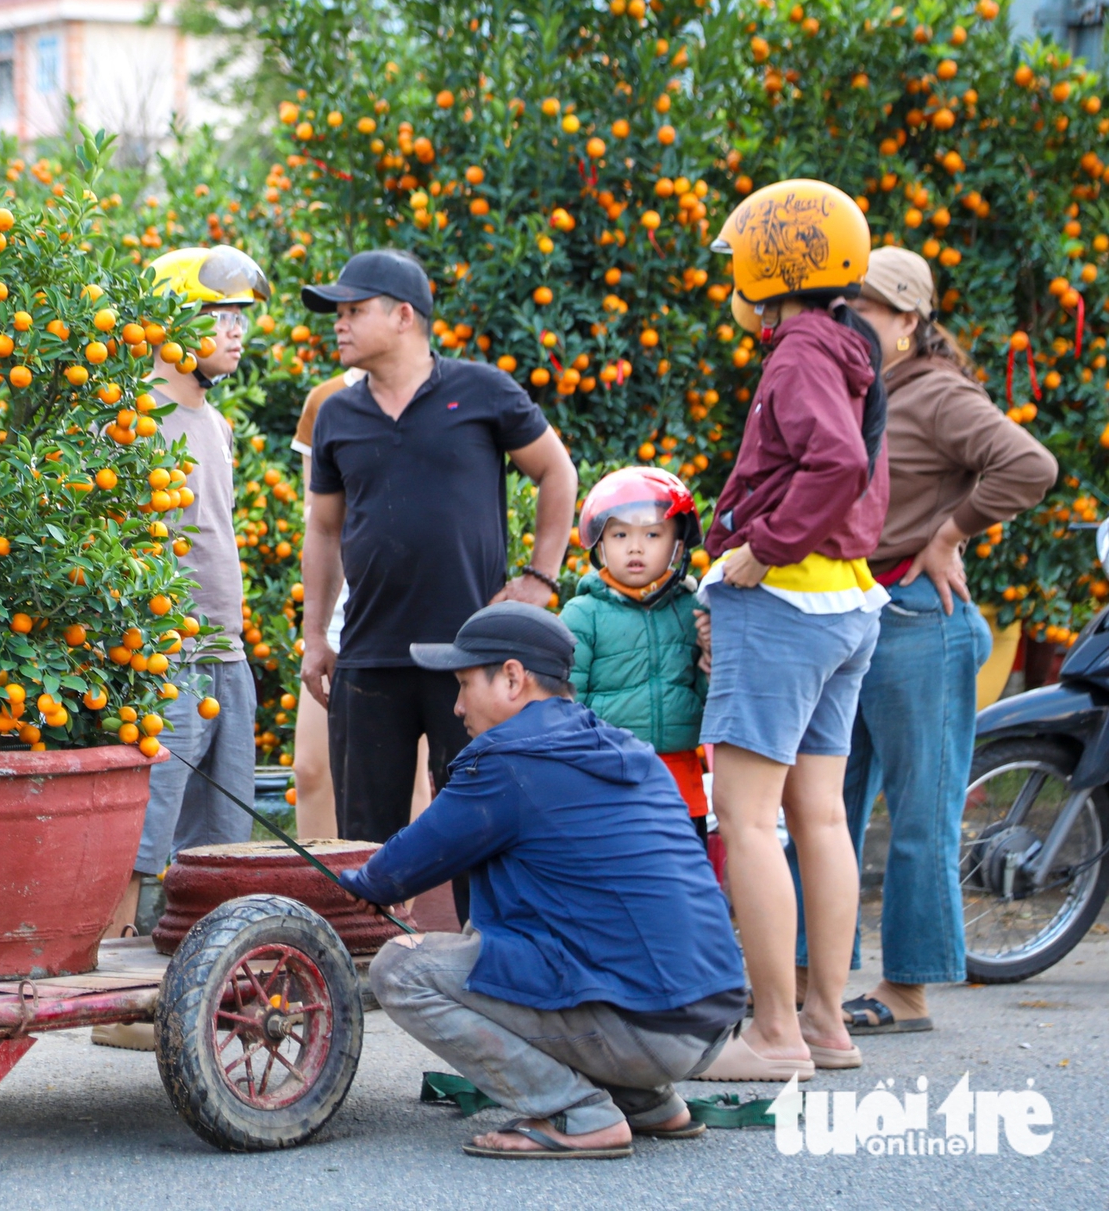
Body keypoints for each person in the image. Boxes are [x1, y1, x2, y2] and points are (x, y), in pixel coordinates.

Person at [346, 602, 747, 1159]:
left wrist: (349, 882)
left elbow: (393, 872)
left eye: (464, 684)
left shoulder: (509, 758)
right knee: (497, 931)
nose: (456, 706)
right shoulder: (624, 749)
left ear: (513, 678)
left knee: (402, 968)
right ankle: (645, 1101)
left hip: (644, 1030)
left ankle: (576, 1113)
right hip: (710, 1020)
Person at [798, 246, 1056, 1035]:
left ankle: (906, 990)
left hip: (918, 620)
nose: (845, 318)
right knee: (822, 806)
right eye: (840, 305)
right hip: (852, 612)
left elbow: (1029, 465)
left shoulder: (938, 392)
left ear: (909, 320)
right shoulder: (857, 386)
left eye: (864, 308)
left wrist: (949, 533)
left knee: (919, 816)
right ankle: (804, 981)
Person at [693, 179, 888, 1082]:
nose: (733, 280)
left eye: (740, 263)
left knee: (746, 818)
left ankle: (774, 1033)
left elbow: (834, 462)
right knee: (820, 816)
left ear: (773, 268)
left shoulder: (800, 352)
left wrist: (761, 549)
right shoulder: (849, 346)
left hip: (785, 605)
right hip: (845, 603)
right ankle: (825, 1023)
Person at [299, 250, 578, 869]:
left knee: (481, 837)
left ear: (404, 316)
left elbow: (557, 471)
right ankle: (372, 938)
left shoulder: (483, 390)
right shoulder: (337, 413)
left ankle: (480, 936)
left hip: (470, 655)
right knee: (365, 847)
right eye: (337, 313)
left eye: (353, 310)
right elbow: (323, 528)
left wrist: (541, 578)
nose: (338, 324)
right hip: (367, 657)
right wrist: (315, 636)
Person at [104, 246, 270, 944]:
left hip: (225, 651)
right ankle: (102, 964)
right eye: (219, 316)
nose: (236, 331)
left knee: (222, 843)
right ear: (170, 323)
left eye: (240, 318)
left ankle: (197, 971)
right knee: (141, 837)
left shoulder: (217, 424)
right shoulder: (130, 419)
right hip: (163, 656)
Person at [291, 367, 434, 840]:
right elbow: (319, 521)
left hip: (406, 609)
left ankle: (404, 889)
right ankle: (322, 885)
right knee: (311, 770)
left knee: (410, 776)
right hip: (342, 607)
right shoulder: (327, 399)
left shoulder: (433, 392)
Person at [560, 468, 711, 842]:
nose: (635, 547)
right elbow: (563, 703)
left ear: (678, 547)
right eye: (620, 534)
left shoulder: (694, 611)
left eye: (653, 534)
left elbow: (712, 704)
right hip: (607, 779)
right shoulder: (582, 614)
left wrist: (713, 661)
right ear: (600, 545)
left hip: (681, 782)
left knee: (686, 872)